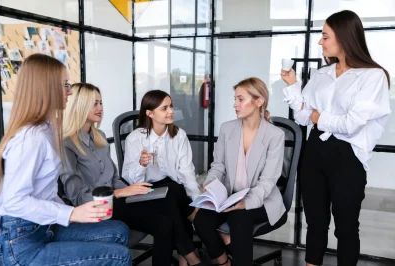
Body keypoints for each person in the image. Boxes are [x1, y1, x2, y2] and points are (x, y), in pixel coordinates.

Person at [0, 54, 131, 266]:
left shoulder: (48, 130)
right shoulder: (31, 138)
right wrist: (72, 212)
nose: (69, 91)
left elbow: (45, 192)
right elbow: (14, 201)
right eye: (65, 85)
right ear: (46, 88)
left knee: (118, 230)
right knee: (119, 257)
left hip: (43, 227)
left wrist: (77, 213)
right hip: (21, 242)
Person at [280, 10, 391, 266]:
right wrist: (293, 85)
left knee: (346, 227)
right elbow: (303, 117)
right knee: (315, 223)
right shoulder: (321, 74)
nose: (321, 42)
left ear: (343, 38)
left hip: (347, 156)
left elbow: (351, 125)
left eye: (325, 36)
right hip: (314, 152)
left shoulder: (372, 76)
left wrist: (318, 116)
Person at [60, 83, 175, 266]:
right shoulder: (66, 144)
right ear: (79, 106)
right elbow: (78, 198)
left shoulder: (100, 136)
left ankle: (188, 255)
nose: (100, 108)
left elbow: (114, 177)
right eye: (94, 103)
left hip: (118, 202)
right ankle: (190, 256)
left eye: (101, 102)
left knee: (167, 205)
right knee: (164, 218)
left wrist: (131, 191)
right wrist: (120, 193)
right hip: (97, 209)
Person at [193, 77, 285, 266]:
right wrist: (210, 184)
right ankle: (224, 261)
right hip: (228, 196)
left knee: (240, 219)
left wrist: (246, 202)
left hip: (261, 199)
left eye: (240, 99)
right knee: (202, 219)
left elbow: (268, 180)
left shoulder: (275, 135)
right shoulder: (227, 129)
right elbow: (218, 165)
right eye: (235, 99)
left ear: (259, 101)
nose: (235, 105)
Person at [123, 90, 204, 266]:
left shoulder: (179, 135)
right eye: (164, 108)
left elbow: (186, 171)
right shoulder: (135, 139)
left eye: (171, 106)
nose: (171, 111)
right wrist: (141, 164)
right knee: (174, 193)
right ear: (149, 113)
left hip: (173, 192)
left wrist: (197, 201)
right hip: (144, 191)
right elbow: (131, 181)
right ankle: (189, 257)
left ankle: (188, 257)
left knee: (174, 195)